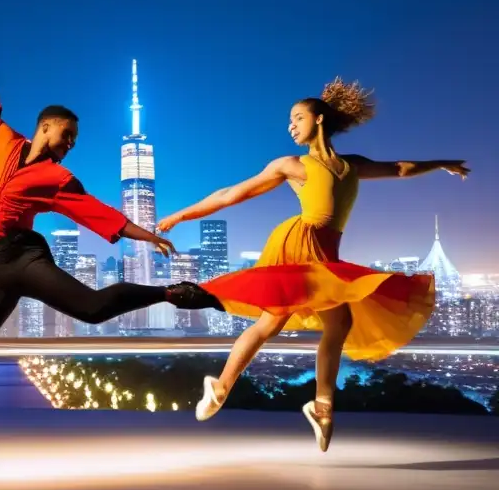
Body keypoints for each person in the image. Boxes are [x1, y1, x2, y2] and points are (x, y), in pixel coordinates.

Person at [0, 43, 223, 484]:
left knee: (92, 309)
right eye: (67, 137)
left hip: (26, 257)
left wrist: (149, 235)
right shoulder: (4, 141)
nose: (70, 146)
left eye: (73, 141)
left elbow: (97, 212)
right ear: (45, 128)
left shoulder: (59, 178)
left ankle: (174, 292)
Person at [157, 78, 469, 451]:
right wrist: (179, 216)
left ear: (319, 119)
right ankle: (222, 388)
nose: (291, 126)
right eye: (289, 121)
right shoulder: (292, 165)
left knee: (337, 322)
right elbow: (229, 194)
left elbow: (400, 168)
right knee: (275, 319)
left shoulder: (351, 166)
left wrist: (441, 164)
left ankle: (319, 406)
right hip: (298, 244)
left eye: (297, 118)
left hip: (327, 253)